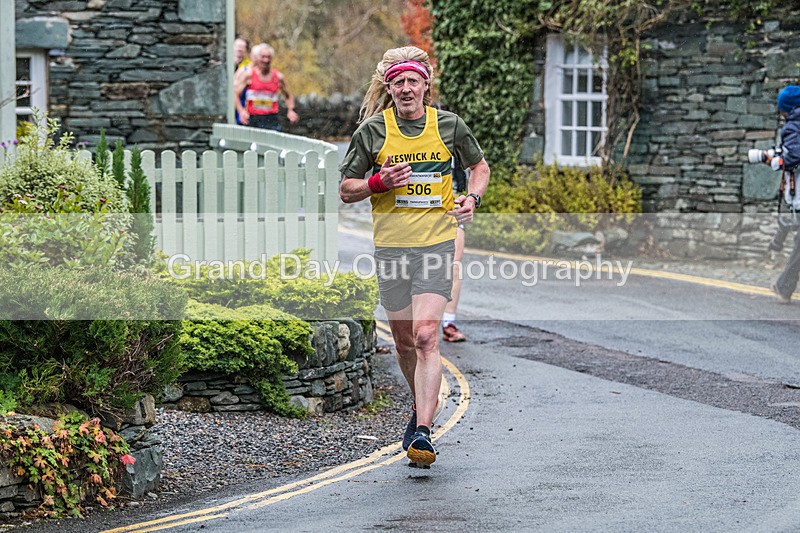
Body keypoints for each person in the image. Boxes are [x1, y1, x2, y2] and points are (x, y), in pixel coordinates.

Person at [339, 46, 490, 466]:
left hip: (436, 243)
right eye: (398, 82)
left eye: (413, 81)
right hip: (391, 248)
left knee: (426, 335)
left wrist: (472, 199)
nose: (406, 88)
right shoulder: (372, 132)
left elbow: (480, 168)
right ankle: (417, 406)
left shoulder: (449, 126)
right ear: (389, 87)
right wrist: (377, 181)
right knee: (404, 341)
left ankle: (424, 432)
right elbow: (346, 189)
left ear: (425, 85)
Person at [767, 85, 800, 304]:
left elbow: (795, 156)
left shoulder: (793, 126)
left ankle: (784, 287)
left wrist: (776, 161)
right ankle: (783, 287)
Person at [234, 43, 299, 131]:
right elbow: (236, 94)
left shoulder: (278, 77)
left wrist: (290, 110)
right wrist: (241, 111)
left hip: (271, 119)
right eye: (263, 57)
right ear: (258, 58)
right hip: (253, 119)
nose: (266, 60)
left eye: (268, 57)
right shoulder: (249, 75)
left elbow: (288, 95)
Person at [442, 160, 468, 342]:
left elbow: (476, 170)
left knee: (454, 266)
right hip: (420, 211)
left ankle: (448, 323)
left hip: (453, 208)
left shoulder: (456, 144)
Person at [233, 38, 252, 125]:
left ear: (246, 50)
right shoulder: (226, 64)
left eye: (242, 47)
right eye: (237, 46)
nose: (239, 49)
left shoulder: (248, 66)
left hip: (242, 102)